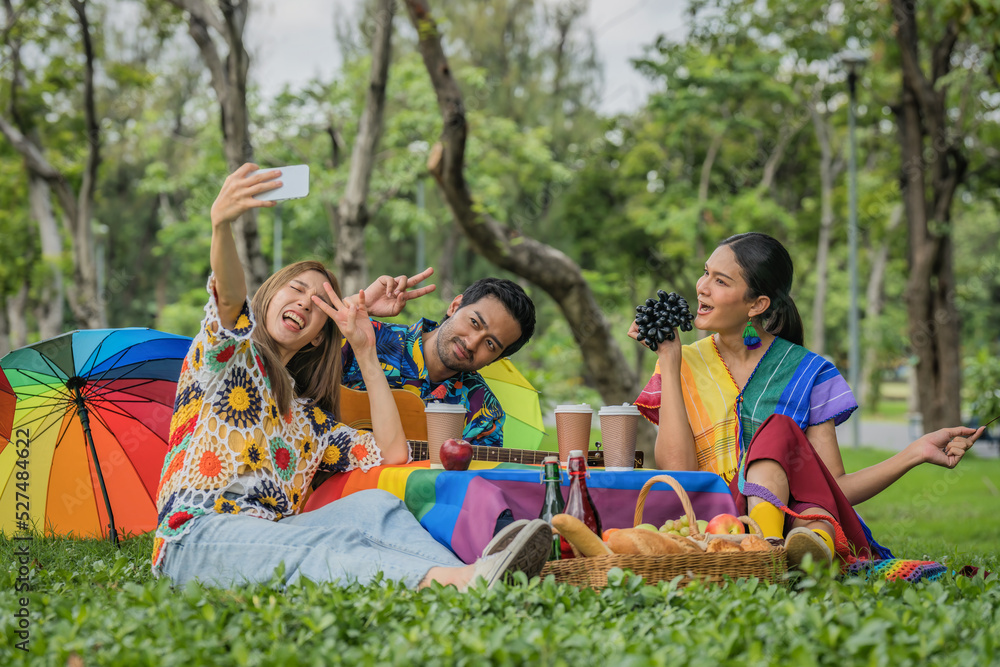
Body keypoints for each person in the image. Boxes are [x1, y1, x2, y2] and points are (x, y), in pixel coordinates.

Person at [152, 163, 551, 589]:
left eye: (315, 301)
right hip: (197, 536)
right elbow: (230, 295)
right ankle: (454, 581)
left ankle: (483, 573)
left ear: (316, 337)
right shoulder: (226, 357)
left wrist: (363, 347)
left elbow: (393, 453)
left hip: (275, 534)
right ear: (267, 295)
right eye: (296, 289)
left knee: (375, 504)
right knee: (321, 551)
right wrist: (222, 224)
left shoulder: (309, 422)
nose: (305, 303)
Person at [630, 232, 983, 566]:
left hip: (786, 520)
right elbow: (679, 474)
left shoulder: (807, 372)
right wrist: (669, 358)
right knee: (802, 489)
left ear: (757, 304)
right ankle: (777, 552)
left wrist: (915, 452)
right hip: (712, 523)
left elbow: (832, 487)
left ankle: (777, 550)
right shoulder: (683, 362)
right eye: (706, 273)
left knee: (810, 503)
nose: (702, 287)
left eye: (721, 281)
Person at [340, 273, 536, 447]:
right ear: (455, 306)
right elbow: (309, 354)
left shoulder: (484, 414)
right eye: (474, 323)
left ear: (496, 359)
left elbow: (472, 485)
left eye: (490, 344)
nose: (471, 344)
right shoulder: (367, 337)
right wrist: (352, 305)